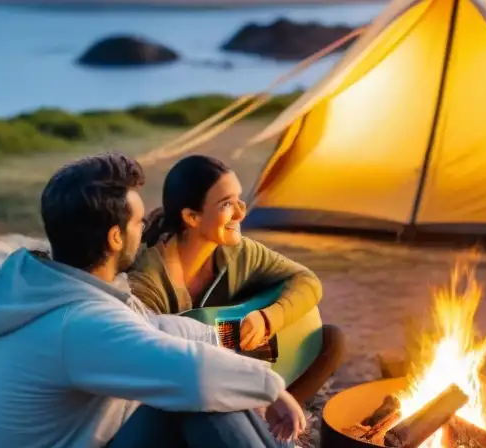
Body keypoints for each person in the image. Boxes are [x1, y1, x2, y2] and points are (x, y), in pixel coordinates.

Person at [0, 153, 415, 448]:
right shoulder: (78, 322)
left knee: (199, 376)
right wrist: (270, 387)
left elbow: (159, 328)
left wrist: (234, 341)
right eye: (138, 221)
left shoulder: (55, 291)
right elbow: (190, 372)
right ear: (115, 237)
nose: (147, 228)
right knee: (187, 396)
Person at [127, 154, 344, 408]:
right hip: (187, 389)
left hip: (233, 368)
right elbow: (142, 364)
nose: (241, 213)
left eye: (239, 199)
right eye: (227, 204)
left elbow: (307, 281)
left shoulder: (238, 252)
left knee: (330, 340)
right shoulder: (147, 283)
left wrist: (268, 319)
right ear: (192, 217)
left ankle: (271, 416)